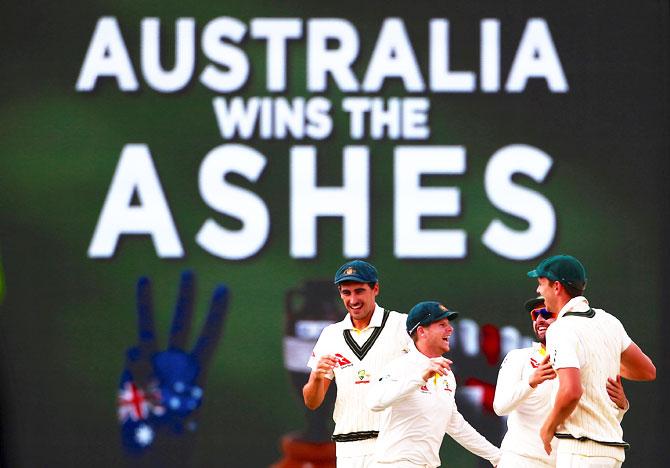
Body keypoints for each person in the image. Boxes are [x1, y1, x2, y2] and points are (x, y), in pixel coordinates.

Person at [527, 254, 656, 467]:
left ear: (557, 287)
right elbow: (647, 370)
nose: (538, 291)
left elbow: (571, 392)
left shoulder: (560, 328)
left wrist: (547, 428)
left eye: (541, 284)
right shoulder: (609, 321)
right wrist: (603, 363)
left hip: (581, 451)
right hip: (612, 451)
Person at [493, 297, 630, 468]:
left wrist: (621, 406)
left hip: (565, 460)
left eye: (546, 313)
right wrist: (531, 382)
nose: (540, 320)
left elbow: (593, 414)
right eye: (535, 315)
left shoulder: (582, 360)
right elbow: (500, 407)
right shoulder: (519, 357)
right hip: (521, 459)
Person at [303, 260, 412, 468]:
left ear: (375, 289)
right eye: (346, 293)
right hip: (348, 449)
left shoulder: (401, 325)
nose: (353, 300)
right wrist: (317, 376)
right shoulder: (331, 335)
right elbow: (312, 402)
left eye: (360, 291)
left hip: (394, 444)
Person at [366, 301, 501, 468]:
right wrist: (421, 376)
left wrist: (496, 456)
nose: (450, 329)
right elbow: (375, 402)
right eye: (442, 325)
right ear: (422, 331)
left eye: (449, 324)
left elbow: (455, 424)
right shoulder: (398, 366)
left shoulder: (446, 374)